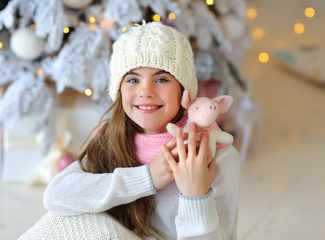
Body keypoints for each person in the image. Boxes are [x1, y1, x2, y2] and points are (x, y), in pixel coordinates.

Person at [43, 21, 240, 239]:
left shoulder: (217, 155)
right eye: (133, 79)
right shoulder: (111, 136)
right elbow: (56, 196)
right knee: (56, 220)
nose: (145, 91)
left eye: (162, 79)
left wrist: (196, 197)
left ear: (184, 92)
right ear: (119, 90)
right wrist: (147, 178)